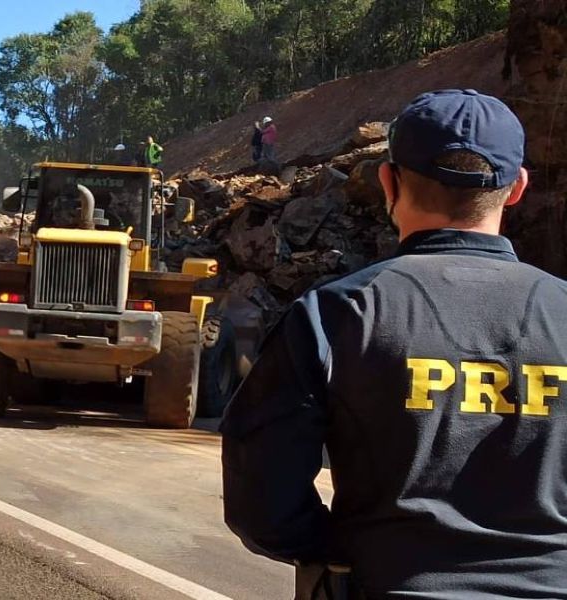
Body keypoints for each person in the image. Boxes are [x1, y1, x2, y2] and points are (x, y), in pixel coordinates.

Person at [221, 89, 567, 598]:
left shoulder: (335, 314)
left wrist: (342, 548)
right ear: (516, 188)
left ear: (387, 181)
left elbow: (261, 500)